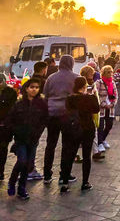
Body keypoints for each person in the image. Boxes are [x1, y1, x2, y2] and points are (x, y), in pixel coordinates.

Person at [5, 79, 48, 200]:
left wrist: (39, 131)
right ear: (26, 88)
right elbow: (10, 120)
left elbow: (45, 119)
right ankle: (12, 182)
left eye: (36, 87)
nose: (34, 89)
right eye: (31, 87)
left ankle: (22, 188)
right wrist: (16, 130)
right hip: (21, 139)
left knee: (26, 164)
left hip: (33, 139)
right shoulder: (19, 104)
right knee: (22, 161)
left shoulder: (41, 104)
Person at [42, 54, 78, 184]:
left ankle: (47, 174)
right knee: (66, 145)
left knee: (50, 144)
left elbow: (45, 95)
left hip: (52, 114)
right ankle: (64, 175)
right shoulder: (76, 78)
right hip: (67, 115)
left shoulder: (51, 78)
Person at [59, 77, 100, 193]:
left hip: (73, 128)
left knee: (70, 155)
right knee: (86, 156)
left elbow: (67, 110)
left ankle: (65, 183)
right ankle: (85, 182)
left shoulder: (70, 99)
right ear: (84, 86)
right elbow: (96, 110)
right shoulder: (90, 98)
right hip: (87, 128)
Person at [95, 66, 117, 153]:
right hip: (101, 108)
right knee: (100, 126)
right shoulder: (99, 82)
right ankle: (99, 143)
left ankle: (103, 139)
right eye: (108, 72)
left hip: (110, 108)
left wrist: (112, 103)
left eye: (111, 72)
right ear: (103, 73)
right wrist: (103, 104)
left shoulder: (112, 83)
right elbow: (96, 95)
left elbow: (116, 94)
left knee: (109, 125)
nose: (110, 74)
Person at [0, 73, 18, 181]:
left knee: (2, 149)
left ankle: (0, 171)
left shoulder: (10, 93)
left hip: (5, 127)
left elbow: (12, 110)